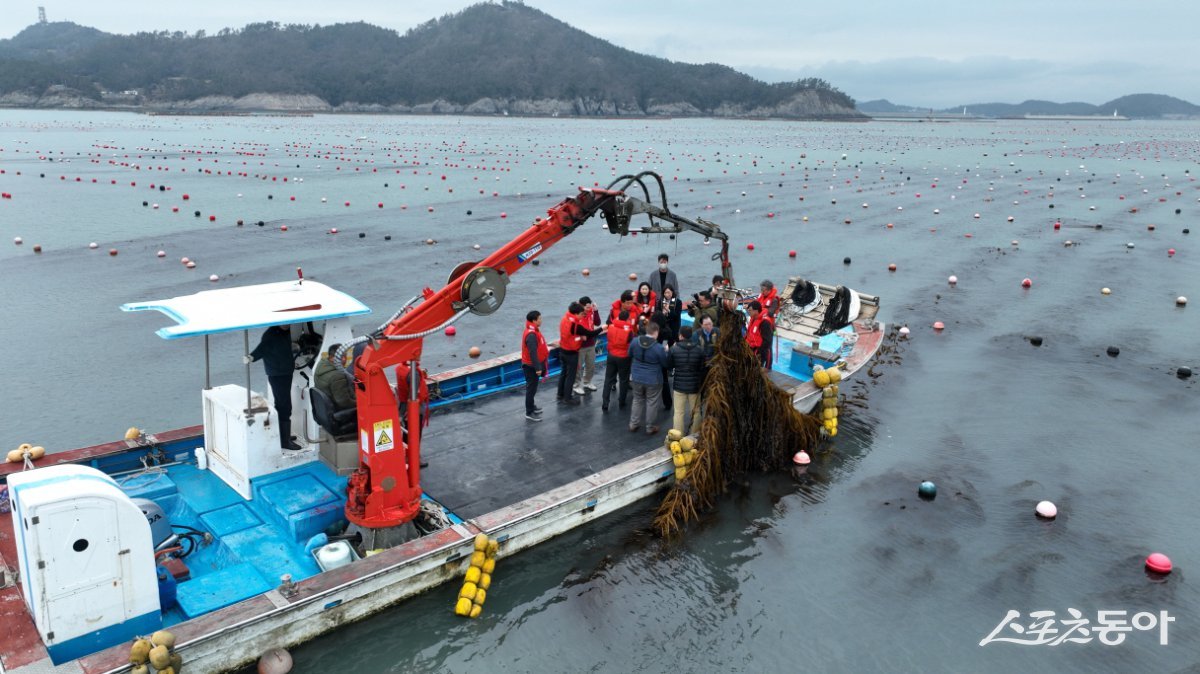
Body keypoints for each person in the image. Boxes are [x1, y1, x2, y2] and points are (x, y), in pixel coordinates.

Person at [246, 325, 302, 450]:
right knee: (284, 406)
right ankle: (284, 441)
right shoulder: (271, 334)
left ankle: (284, 435)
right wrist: (251, 357)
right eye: (285, 323)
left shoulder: (286, 332)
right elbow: (261, 349)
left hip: (285, 373)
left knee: (283, 405)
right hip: (278, 375)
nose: (288, 325)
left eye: (289, 323)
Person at [629, 321, 668, 434]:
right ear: (656, 332)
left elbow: (629, 354)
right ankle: (650, 427)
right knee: (652, 402)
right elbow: (665, 364)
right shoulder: (659, 348)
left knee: (637, 400)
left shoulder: (635, 341)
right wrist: (666, 352)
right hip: (653, 379)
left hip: (636, 377)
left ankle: (633, 424)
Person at [558, 302, 600, 405]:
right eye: (581, 314)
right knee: (571, 376)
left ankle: (560, 393)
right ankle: (568, 398)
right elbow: (590, 333)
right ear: (576, 313)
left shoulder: (565, 318)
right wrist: (603, 328)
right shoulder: (575, 325)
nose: (582, 316)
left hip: (563, 350)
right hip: (571, 352)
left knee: (563, 373)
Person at [667, 326, 705, 435]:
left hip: (679, 386)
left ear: (680, 335)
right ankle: (694, 434)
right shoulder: (699, 350)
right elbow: (702, 368)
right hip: (695, 386)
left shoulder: (674, 349)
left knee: (679, 412)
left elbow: (669, 365)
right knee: (696, 412)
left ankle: (677, 436)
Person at [601, 309, 635, 412]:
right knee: (623, 380)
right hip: (623, 357)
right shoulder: (629, 330)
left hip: (611, 355)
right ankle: (622, 401)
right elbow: (631, 343)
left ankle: (605, 403)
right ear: (627, 319)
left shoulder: (611, 327)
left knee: (608, 379)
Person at [521, 310, 549, 421]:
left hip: (532, 365)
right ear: (534, 320)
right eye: (540, 318)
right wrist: (538, 368)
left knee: (533, 388)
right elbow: (533, 352)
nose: (541, 320)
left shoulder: (531, 330)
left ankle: (532, 406)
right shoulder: (531, 334)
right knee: (531, 389)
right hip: (531, 366)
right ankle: (529, 412)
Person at [573, 296, 602, 395]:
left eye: (590, 307)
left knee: (591, 365)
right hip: (580, 346)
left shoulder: (592, 313)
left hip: (590, 343)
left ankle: (587, 382)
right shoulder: (576, 315)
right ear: (581, 306)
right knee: (578, 367)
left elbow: (598, 323)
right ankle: (576, 385)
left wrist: (596, 311)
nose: (588, 309)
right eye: (587, 307)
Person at [314, 342, 355, 410]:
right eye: (341, 357)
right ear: (332, 358)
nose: (344, 359)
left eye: (345, 356)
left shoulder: (321, 364)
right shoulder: (338, 376)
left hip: (324, 409)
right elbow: (344, 403)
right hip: (337, 410)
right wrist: (360, 403)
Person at [745, 300, 775, 369]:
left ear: (756, 311)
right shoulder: (753, 319)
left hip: (759, 352)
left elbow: (767, 342)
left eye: (750, 310)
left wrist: (758, 352)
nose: (748, 312)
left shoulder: (765, 323)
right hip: (751, 349)